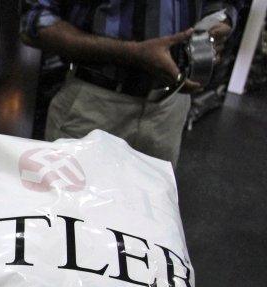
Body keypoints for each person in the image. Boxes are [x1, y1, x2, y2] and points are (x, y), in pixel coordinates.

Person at [22, 0, 240, 167]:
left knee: (146, 217)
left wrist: (221, 20)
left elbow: (224, 4)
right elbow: (34, 20)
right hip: (94, 106)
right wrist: (130, 53)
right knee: (70, 215)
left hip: (169, 108)